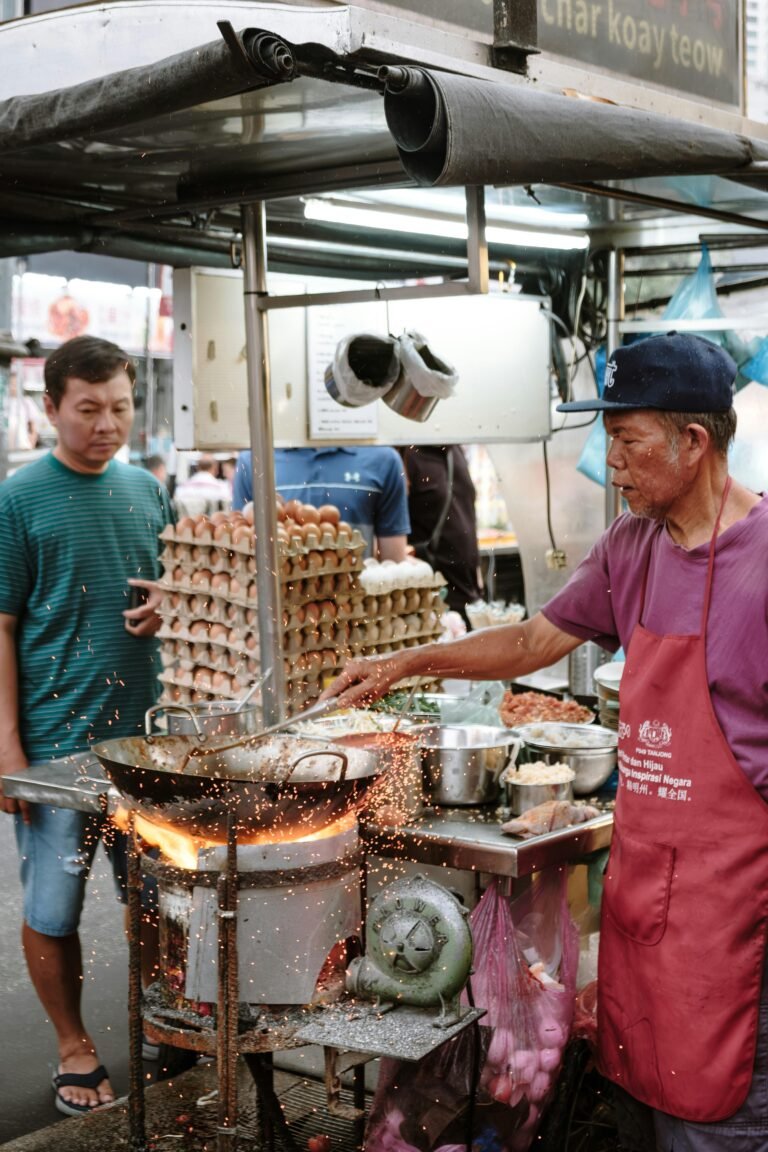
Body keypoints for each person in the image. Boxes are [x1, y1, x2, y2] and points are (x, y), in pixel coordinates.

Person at [322, 331, 768, 1151]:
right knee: (638, 1120)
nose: (615, 463)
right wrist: (403, 661)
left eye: (626, 440)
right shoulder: (630, 547)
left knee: (717, 1131)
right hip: (644, 904)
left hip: (733, 924)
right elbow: (532, 643)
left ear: (694, 442)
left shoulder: (764, 563)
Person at [0, 335, 173, 1116]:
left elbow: (175, 584)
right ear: (52, 408)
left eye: (121, 408)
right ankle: (74, 1046)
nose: (108, 424)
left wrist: (171, 603)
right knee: (53, 910)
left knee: (156, 895)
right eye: (89, 409)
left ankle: (169, 1018)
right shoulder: (19, 498)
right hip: (54, 743)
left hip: (146, 742)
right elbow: (0, 627)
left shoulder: (147, 488)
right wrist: (6, 746)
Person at [233, 445, 411, 560]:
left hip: (355, 606)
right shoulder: (253, 460)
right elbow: (241, 549)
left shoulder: (382, 459)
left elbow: (392, 564)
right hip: (281, 611)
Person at [400, 445, 483, 620]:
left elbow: (467, 514)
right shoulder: (408, 455)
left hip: (470, 595)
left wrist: (478, 576)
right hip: (433, 601)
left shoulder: (455, 451)